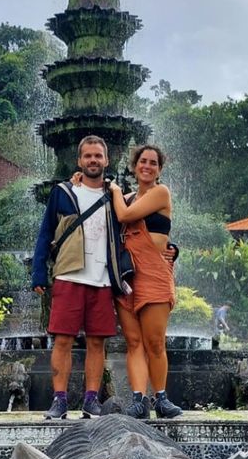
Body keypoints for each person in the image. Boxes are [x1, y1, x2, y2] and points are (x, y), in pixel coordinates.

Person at [31, 135, 127, 420]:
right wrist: (38, 271)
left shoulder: (115, 196)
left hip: (103, 279)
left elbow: (138, 226)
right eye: (88, 156)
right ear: (80, 160)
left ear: (107, 161)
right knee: (63, 340)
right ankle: (59, 400)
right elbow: (45, 232)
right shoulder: (63, 192)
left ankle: (91, 400)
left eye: (98, 156)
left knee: (98, 342)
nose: (93, 160)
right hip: (69, 275)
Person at [109, 143, 182, 420]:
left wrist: (114, 191)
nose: (147, 166)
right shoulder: (126, 197)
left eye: (153, 163)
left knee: (154, 341)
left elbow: (125, 217)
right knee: (133, 341)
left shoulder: (159, 193)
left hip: (153, 274)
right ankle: (138, 400)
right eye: (143, 161)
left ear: (159, 169)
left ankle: (161, 398)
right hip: (128, 276)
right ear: (134, 166)